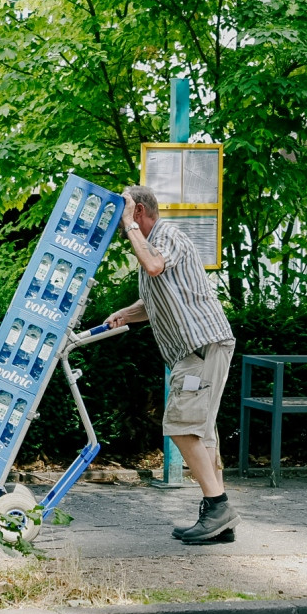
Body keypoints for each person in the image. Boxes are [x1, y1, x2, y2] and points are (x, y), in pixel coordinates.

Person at [105, 185, 239, 544]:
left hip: (200, 348)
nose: (120, 226)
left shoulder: (168, 235)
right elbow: (155, 302)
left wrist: (130, 224)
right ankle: (220, 523)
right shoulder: (158, 244)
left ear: (139, 211)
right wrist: (125, 315)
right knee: (202, 433)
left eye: (126, 215)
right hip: (200, 348)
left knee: (180, 425)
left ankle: (218, 505)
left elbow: (153, 265)